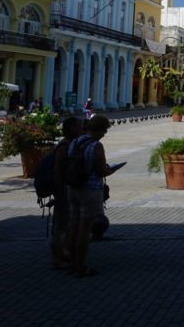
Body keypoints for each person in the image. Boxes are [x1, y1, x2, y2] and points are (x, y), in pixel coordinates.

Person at [67, 115, 112, 277]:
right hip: (90, 189)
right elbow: (101, 171)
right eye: (105, 130)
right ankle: (80, 266)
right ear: (99, 129)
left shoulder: (75, 142)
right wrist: (109, 170)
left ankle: (71, 262)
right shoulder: (96, 145)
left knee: (74, 226)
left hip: (73, 187)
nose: (104, 134)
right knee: (85, 231)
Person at [50, 116, 82, 270]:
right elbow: (57, 172)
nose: (81, 130)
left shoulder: (72, 145)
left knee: (68, 223)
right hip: (63, 190)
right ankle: (57, 258)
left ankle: (65, 253)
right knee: (61, 225)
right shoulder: (63, 147)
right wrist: (58, 193)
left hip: (69, 189)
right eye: (78, 127)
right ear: (70, 129)